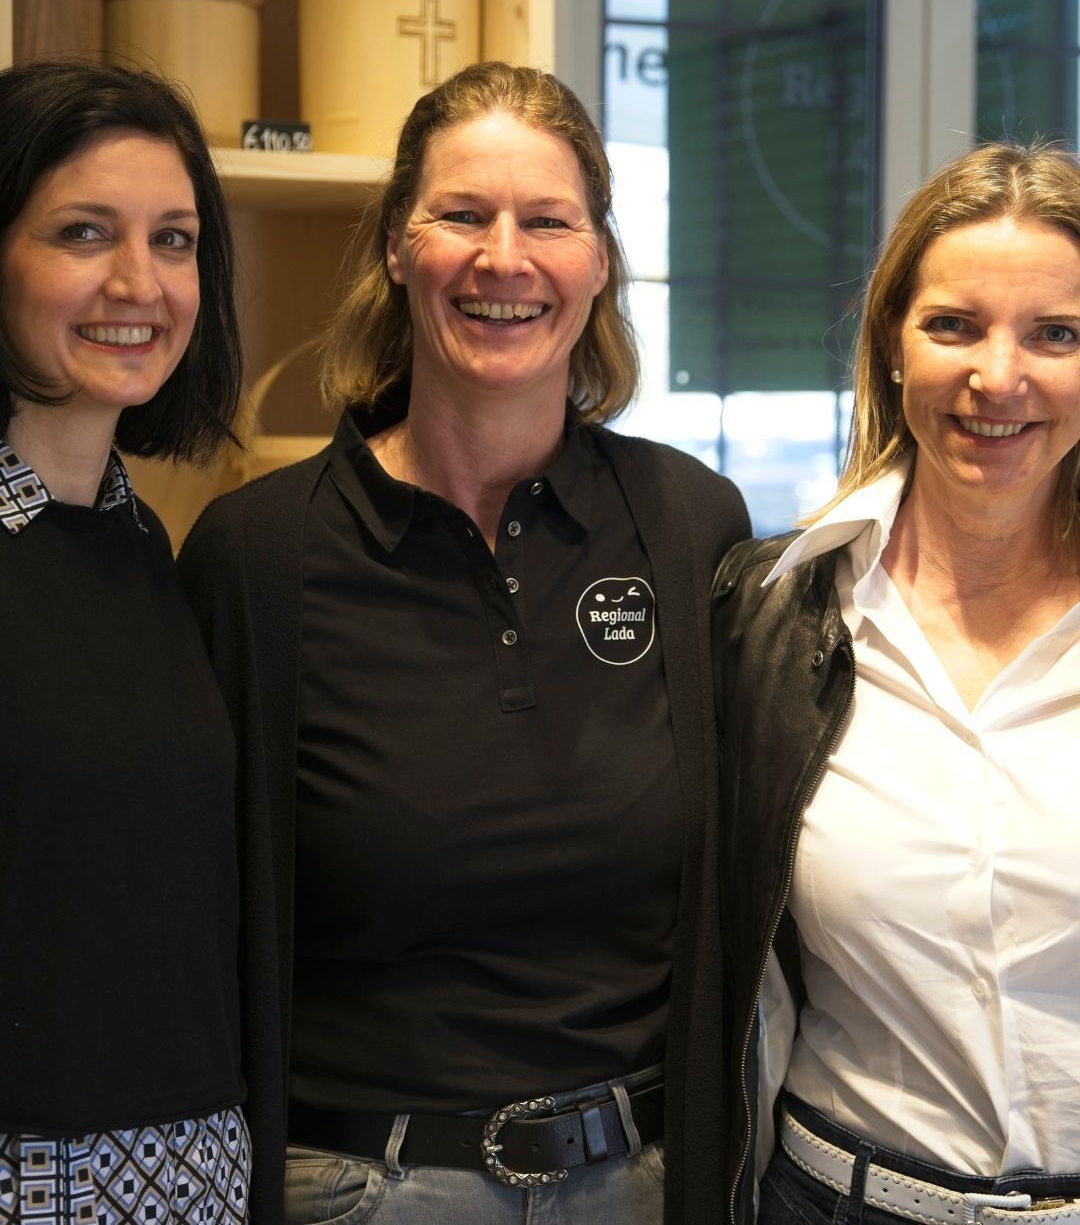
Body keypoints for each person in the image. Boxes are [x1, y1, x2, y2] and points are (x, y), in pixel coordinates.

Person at [178, 60, 750, 1225]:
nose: (505, 259)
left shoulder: (691, 526)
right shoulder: (255, 555)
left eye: (549, 220)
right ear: (397, 246)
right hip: (363, 1189)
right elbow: (187, 916)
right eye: (461, 215)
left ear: (598, 260)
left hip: (644, 1183)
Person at [712, 141, 1080, 1225]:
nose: (998, 376)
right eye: (954, 325)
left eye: (1055, 334)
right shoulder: (768, 612)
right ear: (890, 344)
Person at [0, 59, 248, 1222]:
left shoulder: (139, 538)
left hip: (191, 1173)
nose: (138, 283)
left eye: (177, 239)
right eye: (84, 232)